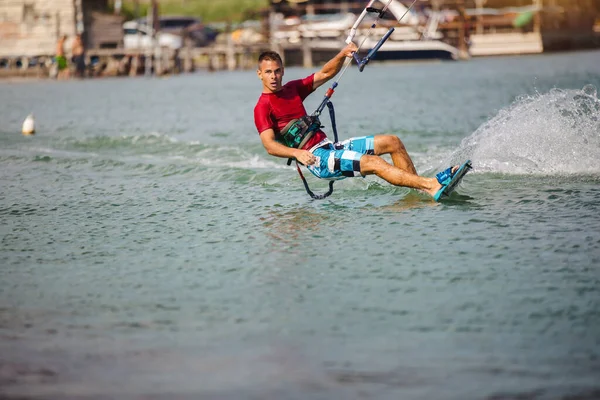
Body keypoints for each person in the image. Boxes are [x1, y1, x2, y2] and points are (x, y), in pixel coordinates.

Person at [253, 44, 457, 199]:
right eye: (269, 72)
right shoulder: (262, 107)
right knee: (375, 163)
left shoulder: (292, 89)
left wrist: (342, 54)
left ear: (282, 71)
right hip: (318, 159)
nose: (274, 76)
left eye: (277, 70)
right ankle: (431, 185)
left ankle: (421, 192)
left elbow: (325, 73)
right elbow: (269, 146)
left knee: (392, 142)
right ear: (260, 74)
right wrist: (298, 153)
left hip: (330, 147)